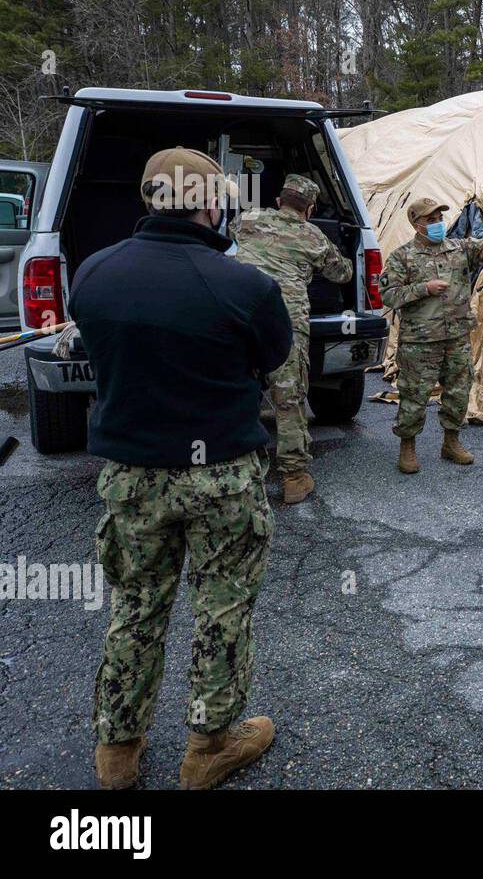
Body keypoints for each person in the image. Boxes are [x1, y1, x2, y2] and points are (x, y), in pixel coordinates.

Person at [71, 146, 293, 790]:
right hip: (219, 475)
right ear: (208, 202)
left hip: (131, 477)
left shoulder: (93, 273)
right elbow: (272, 357)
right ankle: (208, 748)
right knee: (222, 609)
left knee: (136, 607)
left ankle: (116, 754)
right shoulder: (244, 285)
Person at [380, 198, 483, 471]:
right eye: (430, 220)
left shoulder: (458, 248)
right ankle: (408, 446)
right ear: (415, 223)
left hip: (457, 336)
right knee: (414, 395)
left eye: (439, 218)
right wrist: (424, 288)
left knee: (458, 394)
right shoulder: (402, 256)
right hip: (420, 342)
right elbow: (388, 295)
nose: (437, 224)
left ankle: (451, 442)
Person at [232, 173, 353, 504]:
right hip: (286, 322)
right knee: (289, 400)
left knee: (239, 395)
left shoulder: (247, 218)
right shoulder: (312, 236)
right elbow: (342, 273)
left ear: (278, 201)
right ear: (310, 208)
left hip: (241, 318)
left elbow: (232, 234)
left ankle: (239, 473)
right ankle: (294, 479)